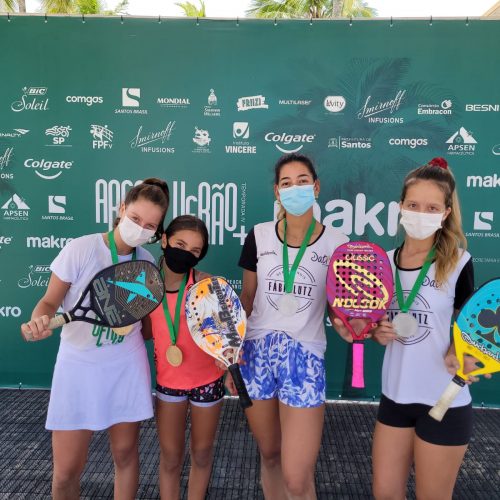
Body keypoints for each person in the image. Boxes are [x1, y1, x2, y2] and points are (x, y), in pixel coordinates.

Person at [20, 178, 169, 500]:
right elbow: (48, 302)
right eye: (135, 218)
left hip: (126, 365)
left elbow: (142, 324)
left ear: (157, 230)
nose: (140, 228)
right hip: (78, 366)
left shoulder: (146, 260)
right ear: (121, 209)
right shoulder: (81, 249)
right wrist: (38, 321)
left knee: (125, 456)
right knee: (66, 472)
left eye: (149, 225)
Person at [365, 157, 489, 500]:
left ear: (446, 213)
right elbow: (374, 322)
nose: (421, 213)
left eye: (432, 207)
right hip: (395, 397)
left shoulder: (458, 262)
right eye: (413, 205)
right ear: (400, 207)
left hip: (444, 399)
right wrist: (377, 332)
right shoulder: (382, 261)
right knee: (385, 494)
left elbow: (472, 328)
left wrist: (460, 351)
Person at [233, 153, 349, 499]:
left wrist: (346, 327)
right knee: (270, 455)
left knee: (297, 478)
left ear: (316, 187)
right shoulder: (259, 235)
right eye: (286, 183)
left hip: (305, 356)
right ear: (276, 191)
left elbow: (338, 309)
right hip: (255, 354)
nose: (294, 188)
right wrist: (230, 350)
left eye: (302, 181)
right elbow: (247, 298)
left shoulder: (338, 242)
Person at [142, 215, 224, 500]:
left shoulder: (207, 284)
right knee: (170, 457)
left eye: (194, 250)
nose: (186, 253)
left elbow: (227, 336)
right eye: (180, 244)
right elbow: (144, 332)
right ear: (164, 240)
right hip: (169, 384)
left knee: (201, 454)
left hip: (208, 382)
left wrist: (226, 356)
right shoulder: (146, 286)